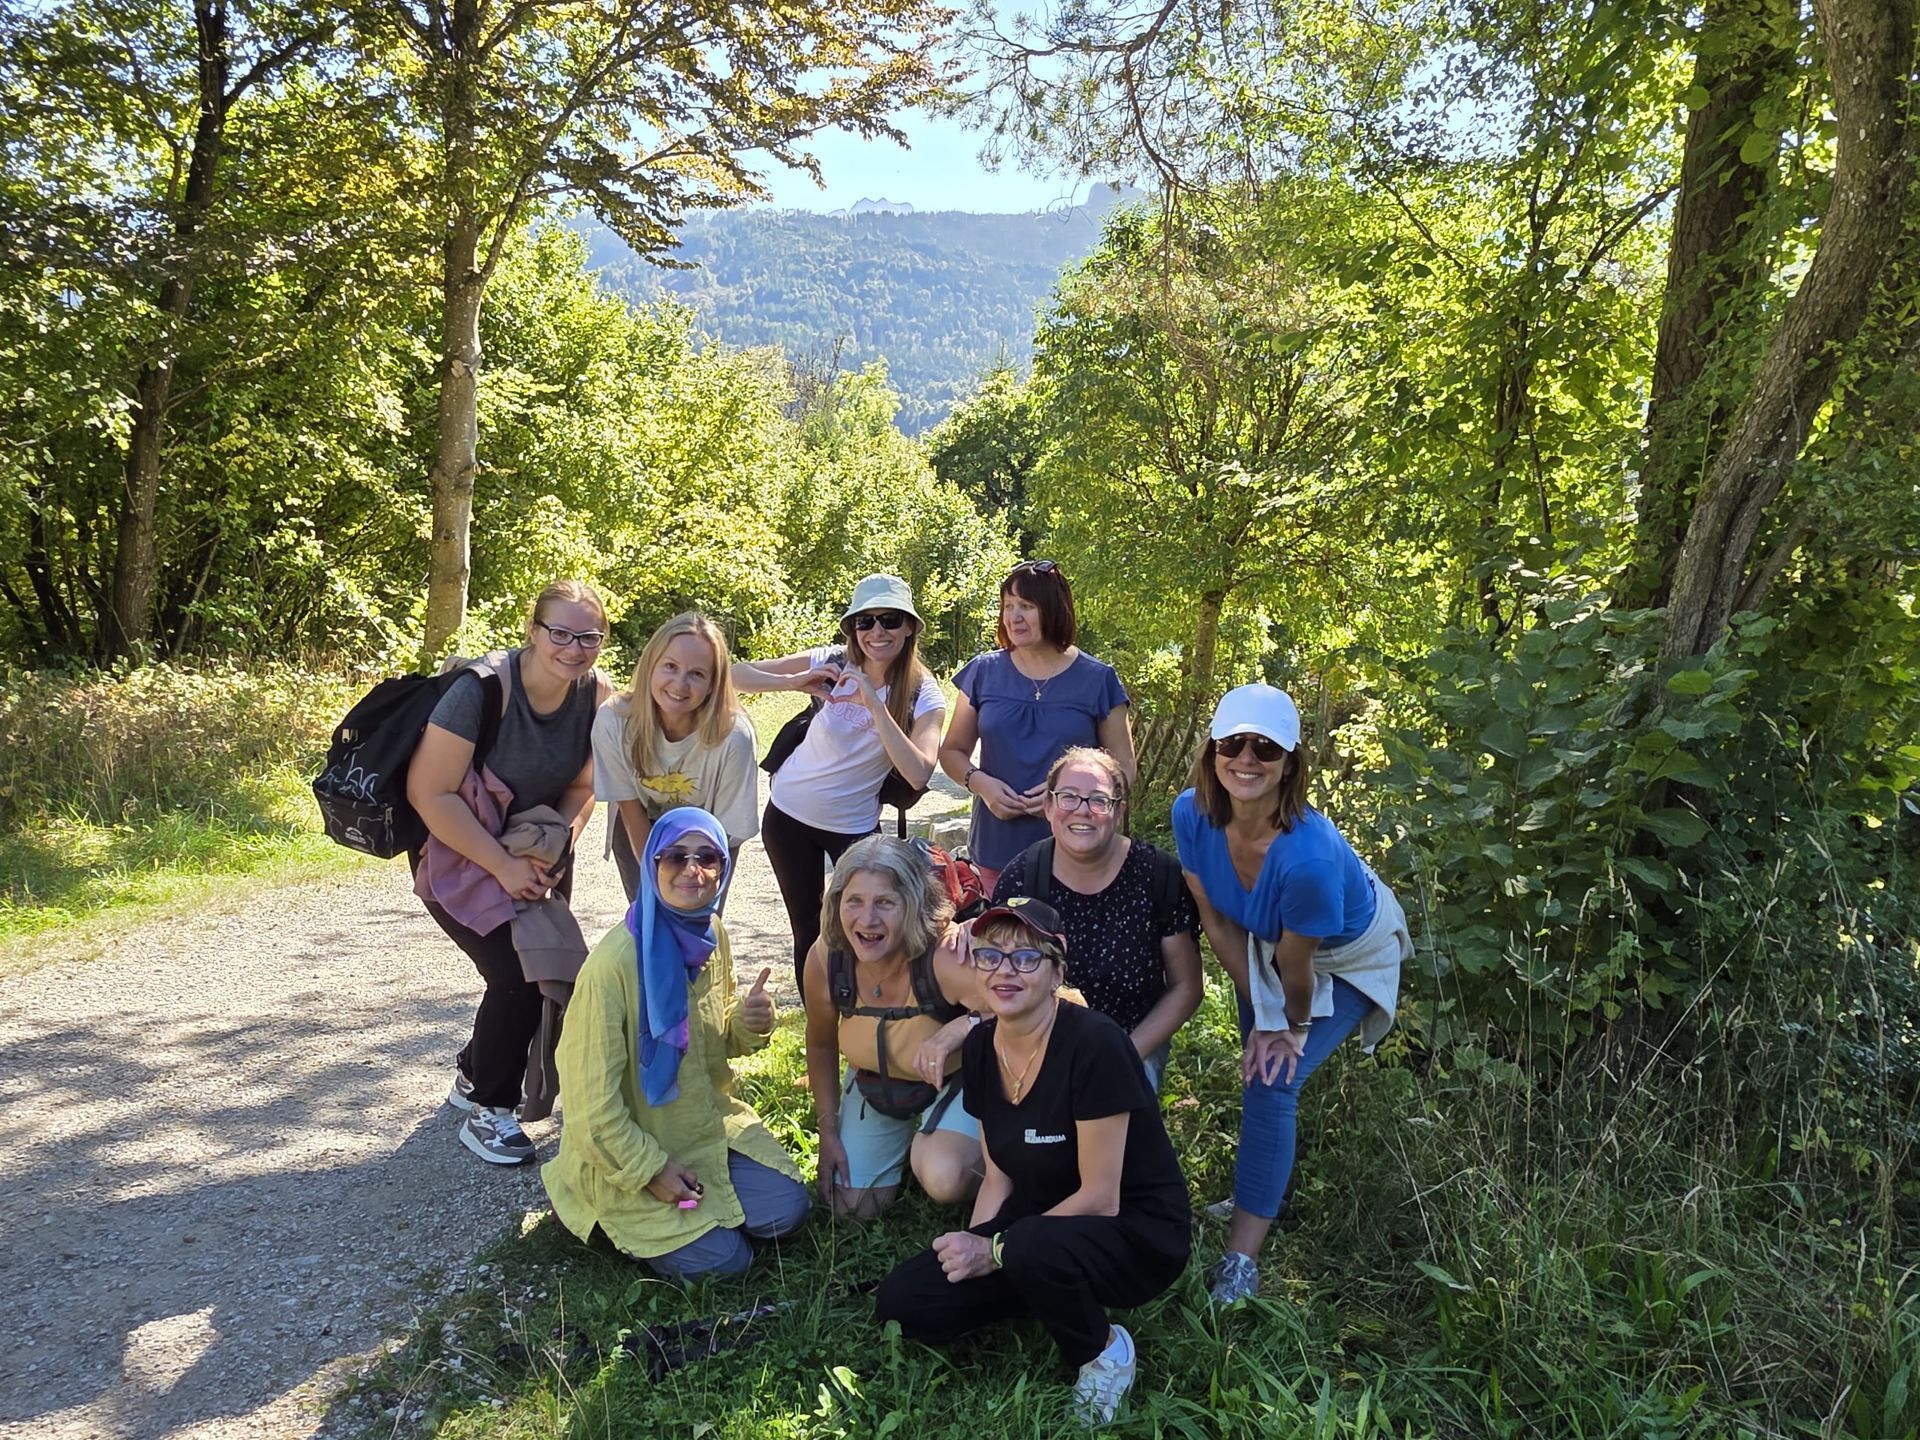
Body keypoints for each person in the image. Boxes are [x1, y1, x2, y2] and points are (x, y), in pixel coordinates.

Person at [874, 896, 1191, 1424]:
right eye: (991, 957)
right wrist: (977, 1249)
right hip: (1036, 1230)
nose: (1005, 972)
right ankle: (1040, 1288)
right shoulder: (979, 1048)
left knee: (1026, 1246)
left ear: (1056, 970)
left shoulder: (1096, 1045)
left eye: (1025, 958)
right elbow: (998, 1171)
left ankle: (1105, 1351)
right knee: (904, 1302)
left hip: (1131, 1232)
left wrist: (998, 1249)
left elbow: (1100, 1196)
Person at [1173, 683, 1410, 1304]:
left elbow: (1297, 968)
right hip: (1269, 946)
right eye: (1232, 743)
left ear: (1290, 764)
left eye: (1265, 749)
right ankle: (1260, 1187)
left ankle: (1241, 1261)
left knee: (1275, 1077)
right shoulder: (1189, 815)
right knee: (1258, 1066)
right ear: (1211, 751)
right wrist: (1257, 1008)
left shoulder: (1305, 860)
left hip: (1346, 955)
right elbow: (1215, 920)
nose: (1246, 760)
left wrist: (1286, 1024)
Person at [542, 807, 811, 1277]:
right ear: (651, 865)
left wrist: (751, 1023)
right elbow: (590, 1109)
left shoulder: (711, 935)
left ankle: (696, 1213)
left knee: (787, 1211)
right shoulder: (612, 967)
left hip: (700, 1129)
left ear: (723, 870)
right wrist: (649, 1170)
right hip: (631, 1146)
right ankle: (604, 1214)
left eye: (708, 857)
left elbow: (716, 1041)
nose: (693, 870)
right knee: (729, 1261)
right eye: (675, 857)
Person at [407, 579, 613, 1165]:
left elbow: (582, 789)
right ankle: (490, 1111)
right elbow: (430, 793)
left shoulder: (596, 697)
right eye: (561, 633)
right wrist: (501, 864)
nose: (574, 648)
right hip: (457, 852)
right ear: (533, 629)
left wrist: (556, 850)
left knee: (541, 971)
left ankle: (474, 1073)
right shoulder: (481, 690)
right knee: (519, 973)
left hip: (538, 853)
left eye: (589, 637)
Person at [913, 747, 1203, 1094]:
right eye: (1068, 797)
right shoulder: (1023, 878)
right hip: (1037, 1040)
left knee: (1116, 1126)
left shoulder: (1157, 875)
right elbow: (1001, 980)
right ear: (1048, 807)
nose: (1082, 810)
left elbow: (1187, 987)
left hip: (1133, 1040)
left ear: (1119, 810)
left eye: (1098, 800)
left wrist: (1124, 1054)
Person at [733, 574, 945, 988]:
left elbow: (919, 771)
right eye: (864, 622)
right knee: (808, 932)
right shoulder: (833, 660)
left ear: (909, 628)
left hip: (854, 828)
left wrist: (874, 703)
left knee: (868, 930)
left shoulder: (924, 691)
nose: (877, 632)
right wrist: (791, 682)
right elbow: (736, 674)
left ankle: (864, 1020)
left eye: (889, 620)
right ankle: (821, 1031)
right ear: (852, 629)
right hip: (789, 817)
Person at [803, 836, 986, 1220]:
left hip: (957, 1081)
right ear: (836, 903)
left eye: (885, 903)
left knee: (944, 1177)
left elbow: (1027, 1011)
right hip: (877, 1084)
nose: (867, 920)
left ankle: (983, 1153)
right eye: (854, 901)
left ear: (912, 905)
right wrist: (829, 1132)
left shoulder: (947, 955)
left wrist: (960, 1028)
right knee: (851, 1208)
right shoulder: (825, 959)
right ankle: (907, 1146)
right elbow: (821, 1044)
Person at [939, 560, 1134, 891]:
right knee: (1002, 941)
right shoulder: (983, 672)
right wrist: (980, 783)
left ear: (1054, 610)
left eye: (1026, 606)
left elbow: (1125, 767)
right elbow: (952, 752)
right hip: (997, 847)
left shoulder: (1099, 680)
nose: (1014, 617)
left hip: (1080, 849)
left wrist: (1075, 792)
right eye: (1008, 606)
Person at [592, 612, 757, 904]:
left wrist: (691, 883)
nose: (680, 684)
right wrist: (656, 882)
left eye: (697, 674)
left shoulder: (734, 737)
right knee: (648, 919)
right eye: (670, 666)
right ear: (650, 666)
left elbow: (726, 832)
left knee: (695, 928)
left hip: (709, 836)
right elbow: (630, 811)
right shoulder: (614, 719)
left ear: (713, 684)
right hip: (640, 821)